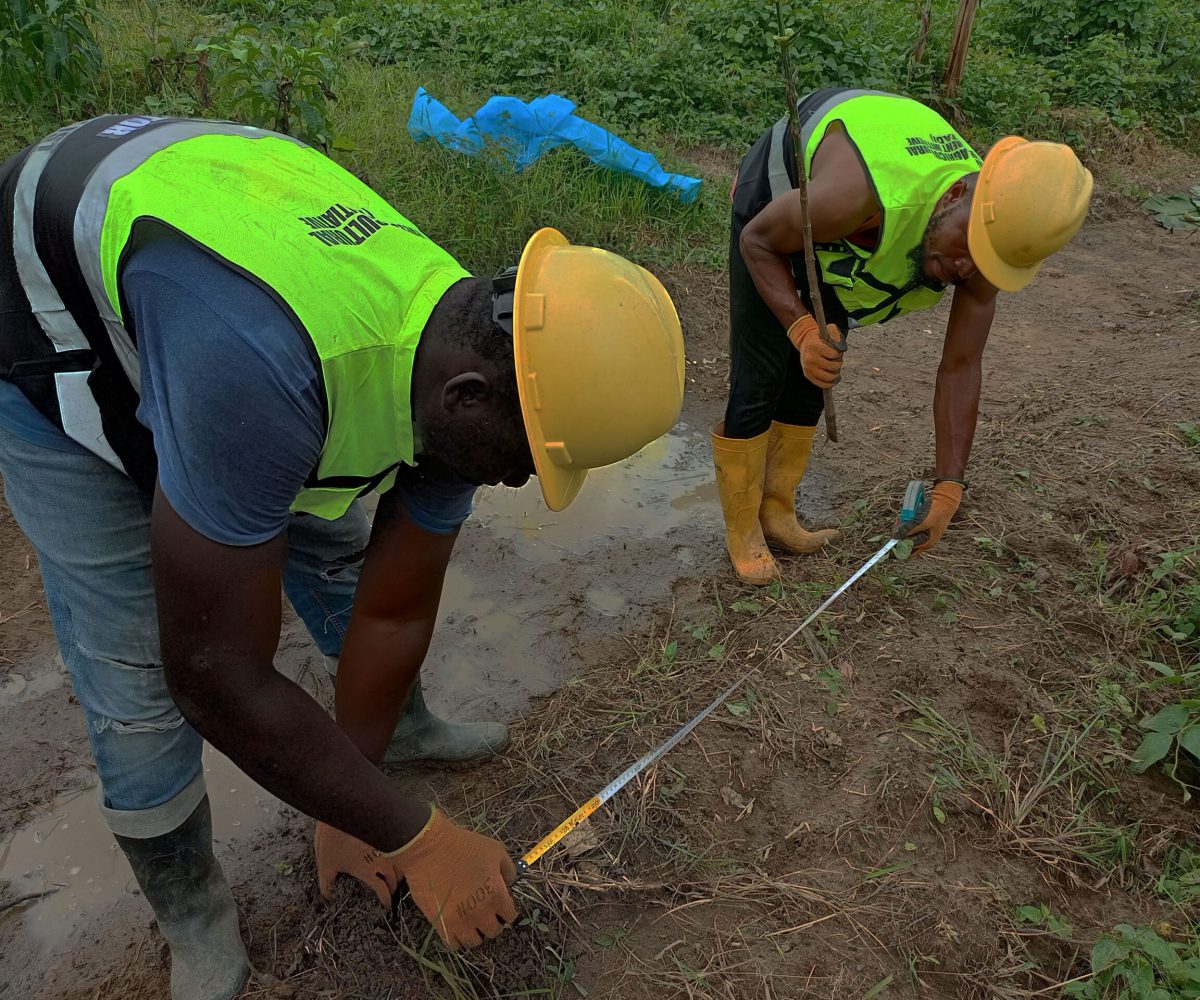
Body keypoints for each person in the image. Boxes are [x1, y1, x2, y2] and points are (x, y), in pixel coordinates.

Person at [0, 114, 685, 999]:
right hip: (48, 320)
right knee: (135, 676)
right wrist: (418, 838)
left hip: (219, 298)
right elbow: (212, 677)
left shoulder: (474, 349)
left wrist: (351, 802)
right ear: (468, 399)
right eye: (527, 461)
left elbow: (392, 606)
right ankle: (193, 915)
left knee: (335, 557)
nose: (520, 481)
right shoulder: (264, 377)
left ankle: (384, 741)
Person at [714, 87, 1093, 583]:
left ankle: (777, 512)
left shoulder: (993, 233)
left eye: (985, 262)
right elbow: (759, 241)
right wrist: (801, 328)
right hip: (780, 195)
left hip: (850, 220)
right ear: (955, 196)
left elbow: (961, 364)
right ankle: (743, 530)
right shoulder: (853, 197)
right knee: (764, 370)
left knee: (819, 368)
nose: (965, 269)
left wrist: (948, 490)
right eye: (968, 248)